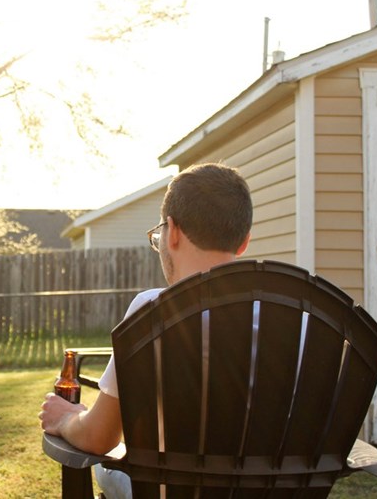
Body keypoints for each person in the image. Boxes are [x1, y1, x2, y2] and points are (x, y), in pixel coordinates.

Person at [38, 162, 253, 499]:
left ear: (173, 231)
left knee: (108, 467)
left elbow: (99, 438)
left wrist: (67, 418)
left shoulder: (154, 310)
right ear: (243, 242)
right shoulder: (300, 322)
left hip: (177, 492)